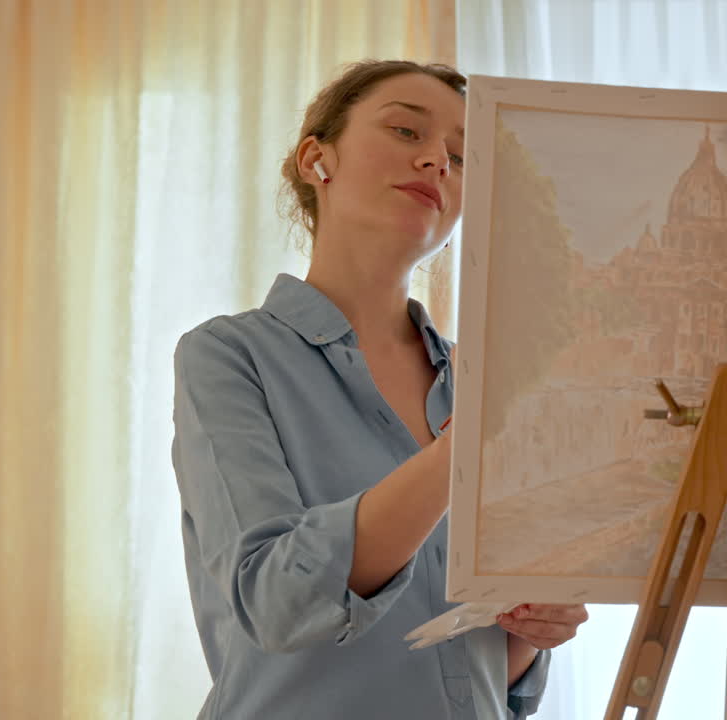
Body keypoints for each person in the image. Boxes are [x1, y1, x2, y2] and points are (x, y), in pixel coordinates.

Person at [171, 59, 588, 719]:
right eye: (405, 131)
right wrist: (464, 449)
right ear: (317, 159)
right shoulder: (228, 357)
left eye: (461, 156)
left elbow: (483, 671)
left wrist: (532, 629)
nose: (437, 161)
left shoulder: (485, 383)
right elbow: (277, 600)